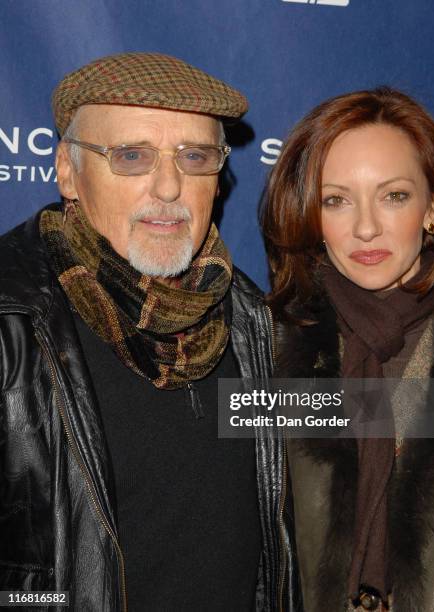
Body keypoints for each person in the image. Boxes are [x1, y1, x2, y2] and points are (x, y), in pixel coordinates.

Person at [0, 52, 301, 611]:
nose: (169, 187)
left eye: (195, 156)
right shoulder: (11, 322)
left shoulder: (250, 321)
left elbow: (370, 427)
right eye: (132, 156)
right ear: (67, 169)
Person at [261, 87, 434, 612]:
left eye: (393, 195)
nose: (366, 227)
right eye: (337, 200)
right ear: (313, 215)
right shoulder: (275, 346)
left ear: (433, 208)